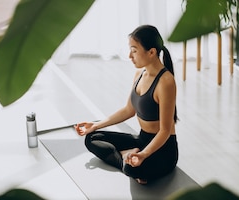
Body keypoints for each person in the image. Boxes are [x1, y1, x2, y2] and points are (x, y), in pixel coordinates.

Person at [75, 25, 178, 184]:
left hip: (163, 150)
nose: (130, 55)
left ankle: (127, 158)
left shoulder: (166, 82)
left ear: (151, 52)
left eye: (134, 50)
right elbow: (129, 110)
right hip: (142, 139)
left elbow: (165, 131)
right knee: (92, 138)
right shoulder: (140, 73)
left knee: (133, 169)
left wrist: (143, 155)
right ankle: (126, 156)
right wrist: (95, 125)